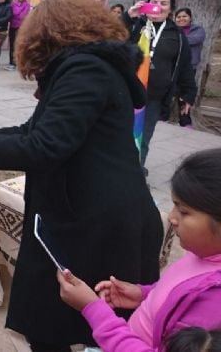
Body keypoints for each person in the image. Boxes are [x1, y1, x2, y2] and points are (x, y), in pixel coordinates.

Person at [0, 0, 163, 351]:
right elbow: (32, 130)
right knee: (59, 321)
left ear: (46, 36)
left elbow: (44, 146)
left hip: (99, 225)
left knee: (66, 326)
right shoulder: (90, 66)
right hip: (91, 216)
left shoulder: (86, 70)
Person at [57, 148, 221, 352]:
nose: (172, 217)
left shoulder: (213, 303)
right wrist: (143, 294)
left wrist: (93, 308)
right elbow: (178, 295)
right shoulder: (203, 254)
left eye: (184, 211)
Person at [123, 0, 196, 169]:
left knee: (143, 138)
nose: (157, 7)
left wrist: (188, 94)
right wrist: (129, 17)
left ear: (171, 9)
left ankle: (135, 174)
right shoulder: (135, 25)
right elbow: (113, 39)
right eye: (154, 2)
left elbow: (184, 66)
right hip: (125, 92)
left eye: (163, 4)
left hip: (153, 97)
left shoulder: (177, 35)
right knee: (118, 134)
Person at [174, 8, 206, 75]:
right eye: (178, 17)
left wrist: (175, 39)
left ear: (190, 18)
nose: (181, 19)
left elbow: (194, 40)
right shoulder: (172, 29)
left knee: (185, 85)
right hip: (173, 64)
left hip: (189, 65)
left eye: (184, 16)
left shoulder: (198, 29)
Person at [7, 0, 31, 70]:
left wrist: (14, 14)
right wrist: (14, 15)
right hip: (12, 26)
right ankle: (11, 62)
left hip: (20, 27)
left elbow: (22, 16)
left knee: (17, 45)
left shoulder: (27, 5)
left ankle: (16, 63)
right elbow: (10, 13)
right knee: (11, 45)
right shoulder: (13, 3)